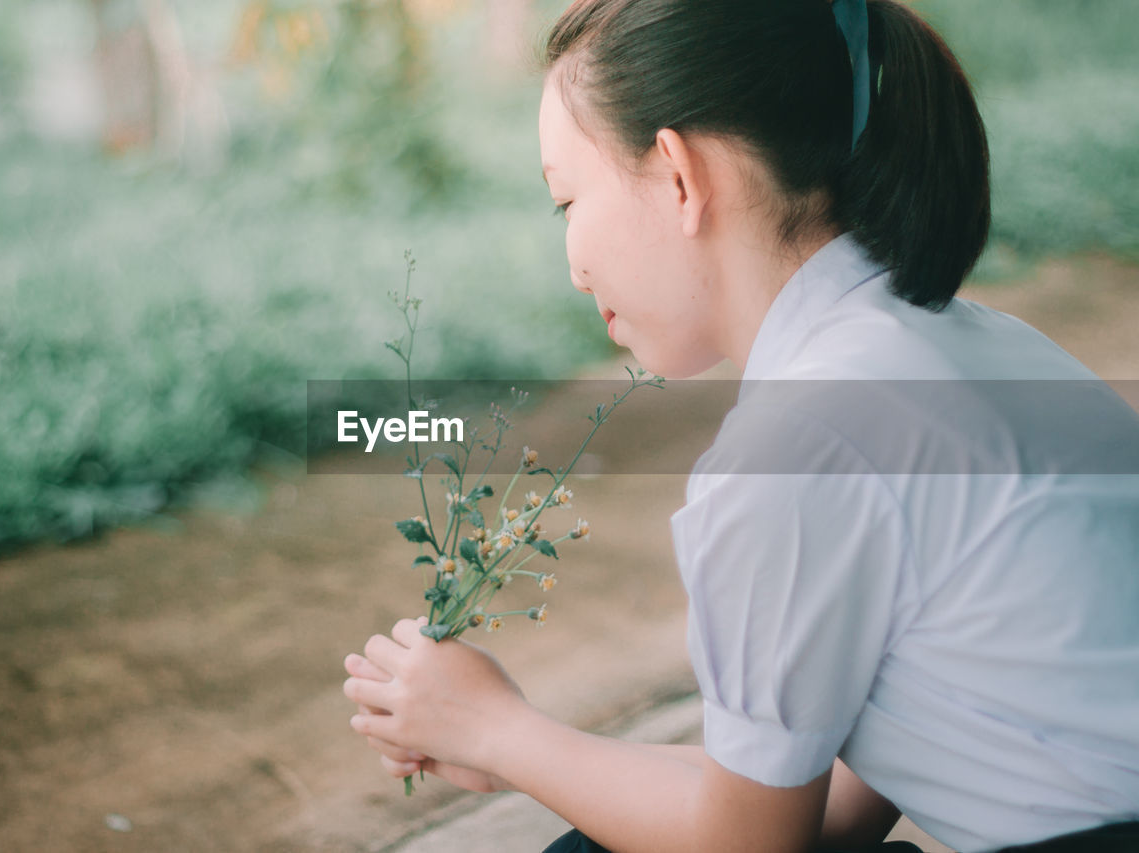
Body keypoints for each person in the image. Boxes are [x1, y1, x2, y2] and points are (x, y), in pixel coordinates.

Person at [341, 1, 1139, 850]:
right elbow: (826, 803)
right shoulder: (967, 346)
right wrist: (502, 741)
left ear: (680, 177)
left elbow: (748, 845)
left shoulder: (798, 448)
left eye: (566, 201)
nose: (572, 262)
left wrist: (499, 729)